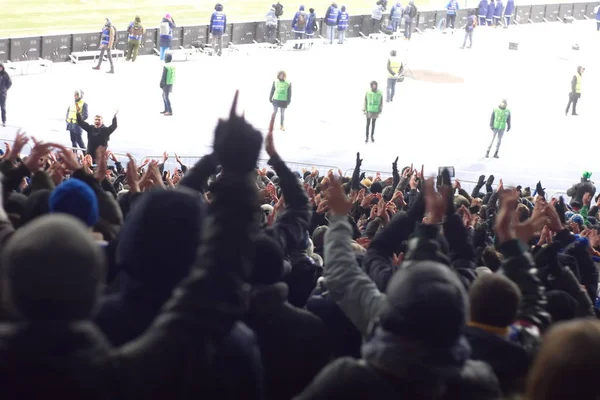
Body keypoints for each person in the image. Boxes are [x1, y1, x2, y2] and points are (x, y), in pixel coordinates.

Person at [0, 62, 12, 127]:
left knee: (3, 108)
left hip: (2, 94)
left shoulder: (5, 74)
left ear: (2, 67)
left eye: (0, 67)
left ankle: (4, 121)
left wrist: (5, 88)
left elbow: (9, 82)